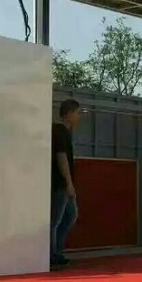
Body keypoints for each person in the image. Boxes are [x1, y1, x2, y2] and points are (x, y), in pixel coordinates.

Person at [51, 99, 82, 268]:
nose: (79, 116)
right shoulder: (60, 132)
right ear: (68, 114)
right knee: (56, 219)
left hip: (63, 184)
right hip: (60, 184)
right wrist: (69, 183)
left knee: (70, 215)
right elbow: (61, 158)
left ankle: (56, 251)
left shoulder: (64, 132)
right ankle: (52, 254)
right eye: (77, 113)